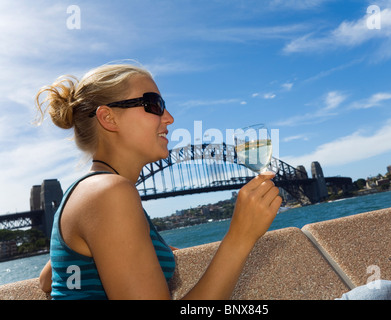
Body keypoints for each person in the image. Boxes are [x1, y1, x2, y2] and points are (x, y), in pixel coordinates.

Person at [36, 63, 282, 300]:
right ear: (109, 118)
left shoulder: (86, 192)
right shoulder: (108, 193)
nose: (170, 118)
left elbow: (48, 279)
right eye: (154, 104)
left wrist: (146, 251)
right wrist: (240, 237)